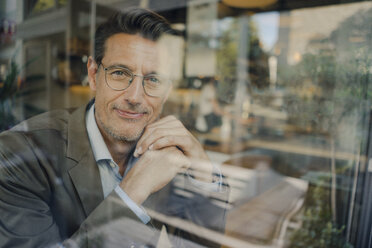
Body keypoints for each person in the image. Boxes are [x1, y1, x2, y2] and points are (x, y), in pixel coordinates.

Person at [0, 8, 228, 248]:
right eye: (120, 73)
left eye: (153, 80)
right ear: (93, 74)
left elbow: (199, 244)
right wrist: (130, 195)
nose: (135, 97)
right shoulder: (18, 153)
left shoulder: (166, 151)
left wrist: (203, 171)